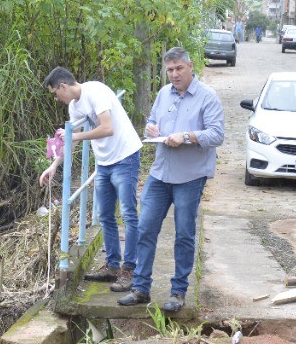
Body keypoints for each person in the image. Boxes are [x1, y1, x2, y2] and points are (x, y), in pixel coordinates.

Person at [117, 47, 225, 313]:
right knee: (145, 229)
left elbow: (217, 134)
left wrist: (187, 137)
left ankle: (178, 292)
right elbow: (152, 121)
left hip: (189, 176)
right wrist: (151, 128)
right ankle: (141, 288)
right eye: (170, 70)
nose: (174, 74)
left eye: (179, 68)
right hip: (160, 173)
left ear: (190, 66)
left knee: (184, 234)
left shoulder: (207, 97)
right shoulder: (163, 93)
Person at [40, 67, 143, 292]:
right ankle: (113, 266)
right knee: (105, 214)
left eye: (55, 94)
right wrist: (54, 165)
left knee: (127, 214)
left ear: (63, 86)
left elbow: (107, 128)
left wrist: (75, 135)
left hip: (125, 156)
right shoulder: (74, 106)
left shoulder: (95, 91)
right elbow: (72, 141)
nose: (56, 99)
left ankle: (130, 270)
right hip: (104, 162)